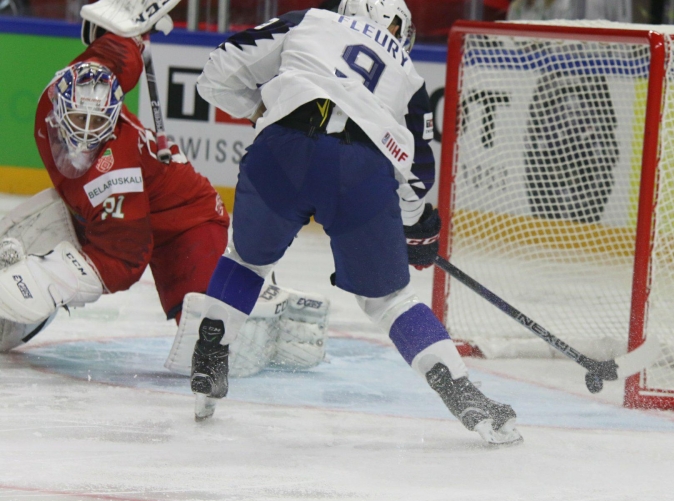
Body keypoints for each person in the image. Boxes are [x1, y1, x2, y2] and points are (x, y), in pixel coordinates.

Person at [189, 0, 522, 444]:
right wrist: (415, 226)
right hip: (360, 171)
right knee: (389, 300)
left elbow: (218, 70)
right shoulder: (408, 73)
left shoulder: (310, 19)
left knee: (247, 263)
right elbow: (417, 176)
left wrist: (263, 113)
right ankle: (464, 394)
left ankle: (211, 349)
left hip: (280, 151)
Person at [0, 0, 329, 375]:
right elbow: (114, 54)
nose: (84, 137)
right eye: (76, 120)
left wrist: (46, 280)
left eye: (98, 127)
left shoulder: (114, 172)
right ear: (57, 107)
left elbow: (124, 260)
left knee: (218, 343)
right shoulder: (74, 83)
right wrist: (133, 31)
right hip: (121, 208)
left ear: (114, 120)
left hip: (186, 222)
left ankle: (269, 304)